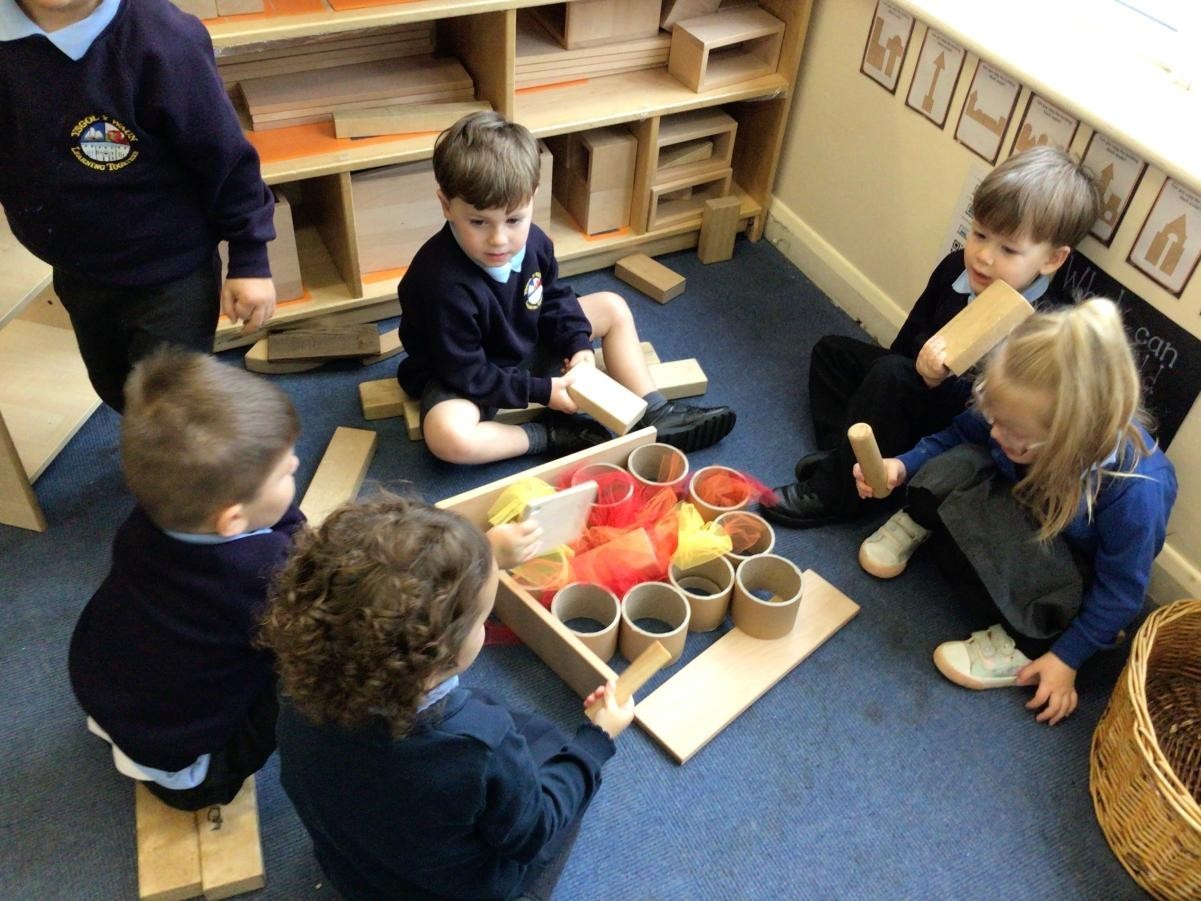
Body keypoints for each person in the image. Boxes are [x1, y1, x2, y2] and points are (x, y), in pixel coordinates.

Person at [261, 495, 634, 900]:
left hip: (353, 870)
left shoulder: (295, 682)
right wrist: (596, 741)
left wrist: (486, 556)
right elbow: (534, 831)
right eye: (481, 620)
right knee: (554, 750)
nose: (485, 628)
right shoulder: (480, 742)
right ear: (438, 652)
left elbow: (398, 589)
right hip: (452, 891)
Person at [852, 299, 1176, 726]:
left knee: (1056, 602)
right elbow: (955, 436)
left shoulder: (1136, 492)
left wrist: (1067, 658)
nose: (996, 431)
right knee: (961, 459)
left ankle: (1024, 642)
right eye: (994, 417)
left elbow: (1120, 590)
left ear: (1070, 437)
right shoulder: (1013, 413)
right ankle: (920, 519)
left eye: (1014, 432)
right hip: (1016, 509)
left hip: (1060, 562)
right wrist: (901, 466)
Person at [764, 146, 1101, 528]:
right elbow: (905, 342)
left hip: (963, 424)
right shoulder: (957, 268)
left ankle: (836, 492)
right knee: (833, 354)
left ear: (1052, 259)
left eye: (1008, 249)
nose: (983, 256)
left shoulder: (1044, 328)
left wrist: (931, 380)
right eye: (979, 234)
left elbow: (998, 416)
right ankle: (853, 462)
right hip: (917, 387)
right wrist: (913, 372)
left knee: (891, 376)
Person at [396, 110, 736, 464]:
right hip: (467, 371)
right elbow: (465, 372)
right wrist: (543, 391)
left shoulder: (534, 243)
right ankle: (547, 436)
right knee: (448, 437)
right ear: (446, 205)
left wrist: (579, 345)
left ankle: (657, 412)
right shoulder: (440, 282)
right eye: (479, 222)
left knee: (612, 306)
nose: (499, 239)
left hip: (523, 340)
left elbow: (555, 298)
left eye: (513, 219)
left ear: (533, 197)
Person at [0, 0, 277, 412]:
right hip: (77, 268)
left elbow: (225, 158)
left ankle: (187, 451)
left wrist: (250, 258)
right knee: (115, 388)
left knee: (172, 404)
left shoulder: (164, 39)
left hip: (171, 271)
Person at [68, 349, 303, 809]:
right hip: (195, 772)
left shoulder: (149, 520)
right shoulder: (260, 575)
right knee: (306, 670)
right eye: (286, 472)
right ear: (232, 520)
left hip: (109, 699)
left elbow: (278, 523)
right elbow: (311, 590)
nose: (295, 466)